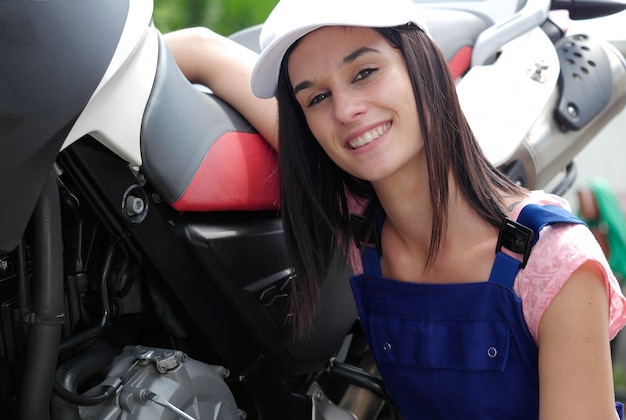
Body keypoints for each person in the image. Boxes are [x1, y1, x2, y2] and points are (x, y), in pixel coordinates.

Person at [165, 0, 626, 418]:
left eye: (364, 72)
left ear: (422, 67)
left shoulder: (552, 263)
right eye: (317, 97)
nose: (345, 110)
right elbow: (206, 52)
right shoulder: (362, 227)